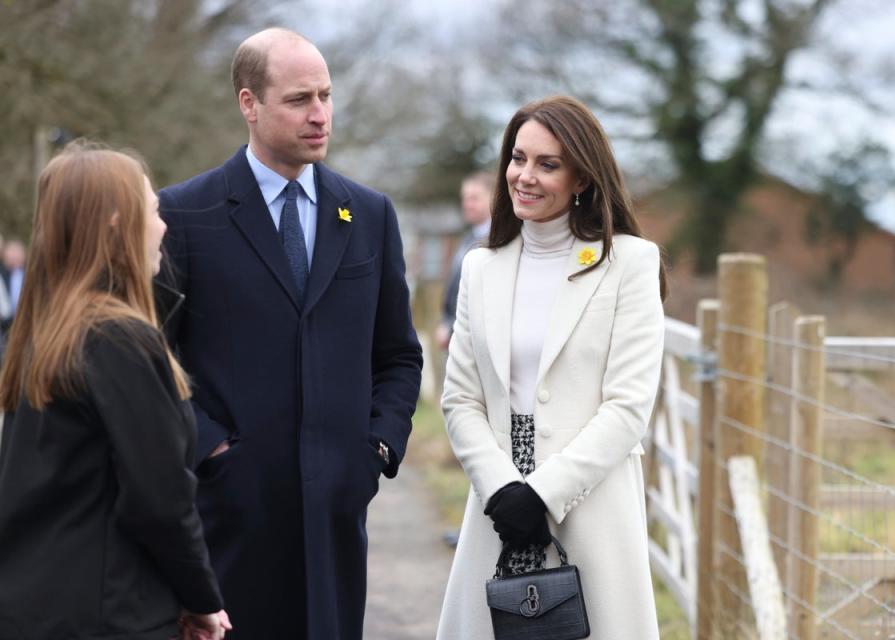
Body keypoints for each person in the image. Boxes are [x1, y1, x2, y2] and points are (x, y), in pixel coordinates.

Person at [156, 28, 423, 640]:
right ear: (249, 104)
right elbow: (154, 358)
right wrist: (212, 451)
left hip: (336, 515)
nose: (320, 115)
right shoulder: (185, 213)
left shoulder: (369, 214)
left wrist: (377, 446)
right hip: (227, 520)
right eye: (300, 99)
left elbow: (399, 356)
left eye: (326, 96)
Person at [436, 96, 667, 640]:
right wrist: (502, 491)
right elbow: (461, 399)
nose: (525, 176)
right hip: (498, 509)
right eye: (518, 159)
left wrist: (542, 493)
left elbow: (628, 406)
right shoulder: (479, 267)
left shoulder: (629, 263)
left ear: (582, 176)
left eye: (548, 164)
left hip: (589, 509)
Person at [0, 143, 230, 640]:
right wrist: (201, 598)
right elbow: (161, 501)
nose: (163, 226)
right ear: (114, 222)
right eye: (151, 211)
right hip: (109, 615)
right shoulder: (118, 340)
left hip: (35, 608)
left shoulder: (42, 334)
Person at [434, 171, 494, 352]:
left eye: (474, 198)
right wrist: (446, 322)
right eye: (465, 199)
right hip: (456, 337)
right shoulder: (468, 238)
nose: (467, 204)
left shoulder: (499, 242)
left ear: (494, 198)